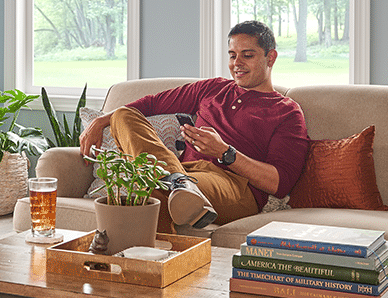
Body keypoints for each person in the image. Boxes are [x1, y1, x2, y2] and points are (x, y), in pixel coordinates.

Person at [79, 20, 309, 233]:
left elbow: (279, 183)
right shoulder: (213, 88)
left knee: (145, 191)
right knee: (122, 115)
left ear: (271, 58)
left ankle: (175, 185)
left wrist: (225, 152)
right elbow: (151, 103)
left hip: (234, 185)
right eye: (232, 55)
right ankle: (177, 184)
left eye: (247, 55)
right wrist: (100, 121)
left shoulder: (287, 111)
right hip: (186, 170)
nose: (236, 63)